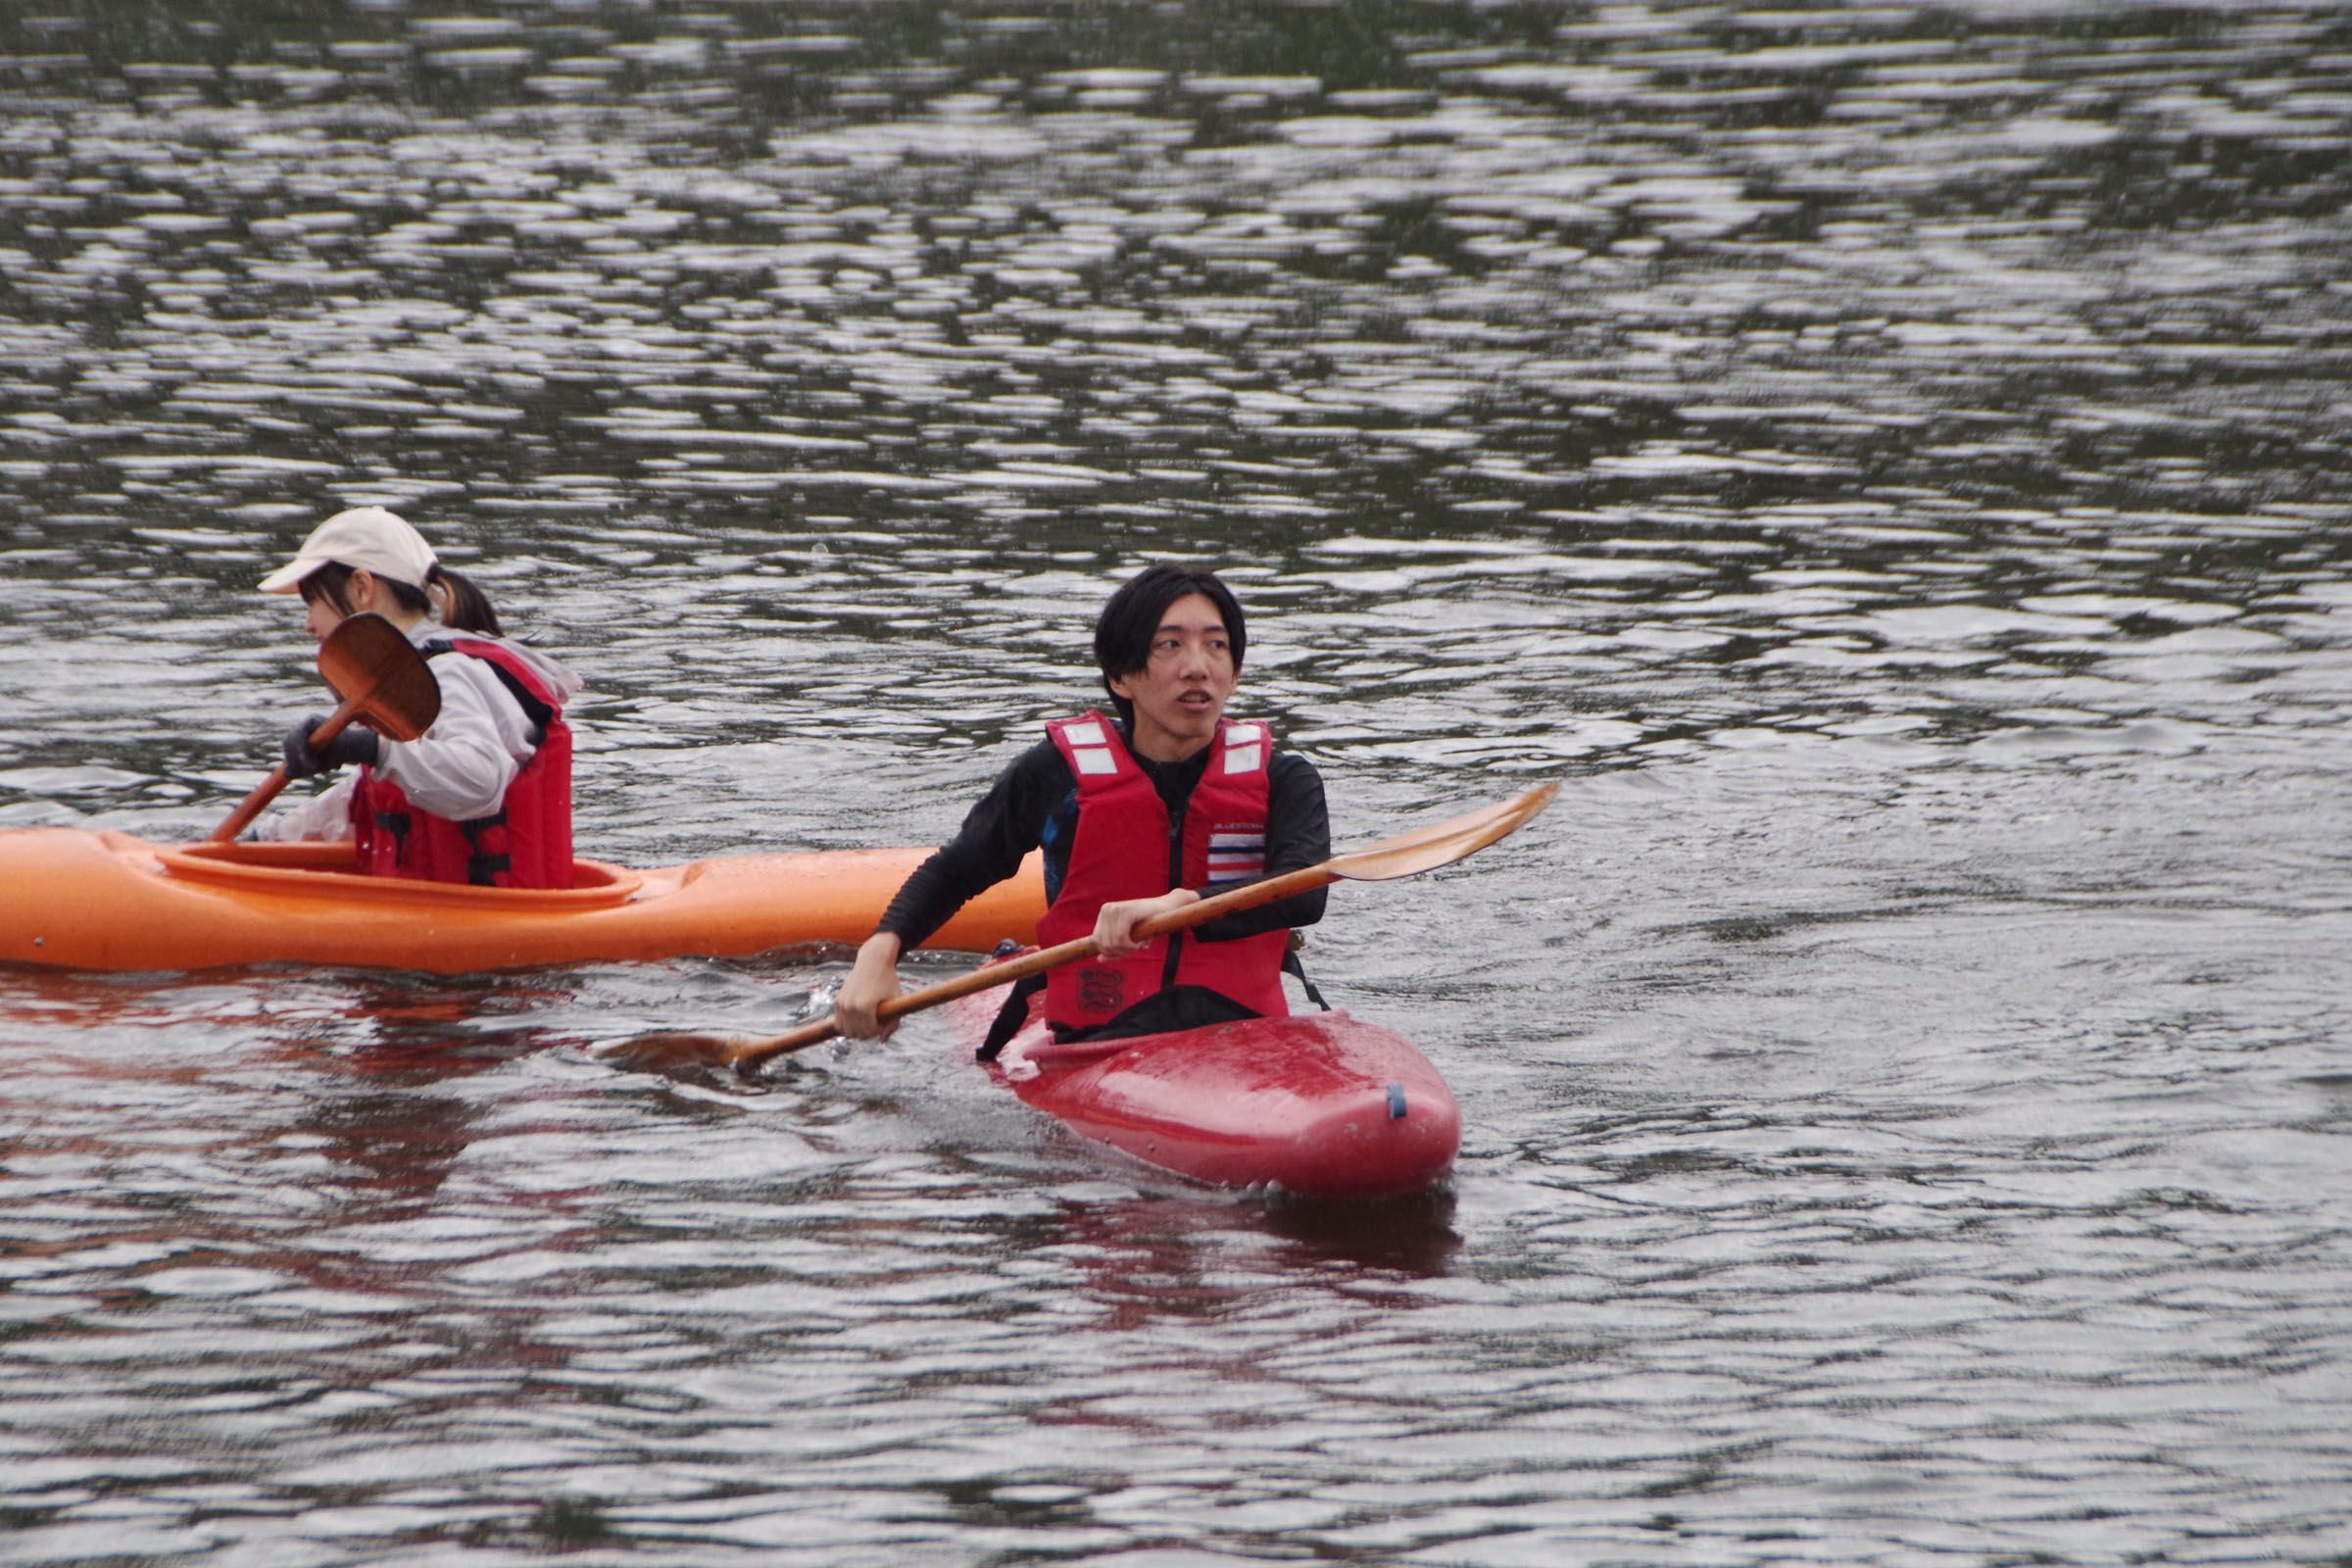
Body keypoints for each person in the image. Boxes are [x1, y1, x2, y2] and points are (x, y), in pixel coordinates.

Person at [833, 564, 1330, 1054]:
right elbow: (958, 869)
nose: (1198, 665)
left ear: (1235, 674)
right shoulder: (1057, 774)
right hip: (1098, 1039)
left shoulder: (1284, 778)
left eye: (1216, 645)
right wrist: (880, 952)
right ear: (1120, 676)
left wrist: (1180, 905)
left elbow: (1304, 893)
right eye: (1170, 644)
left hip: (1247, 1036)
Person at [250, 506, 583, 890]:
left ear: (362, 588)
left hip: (496, 918)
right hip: (441, 909)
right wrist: (263, 843)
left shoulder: (448, 672)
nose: (308, 624)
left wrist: (371, 748)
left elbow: (480, 779)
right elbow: (364, 795)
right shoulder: (399, 677)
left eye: (311, 601)